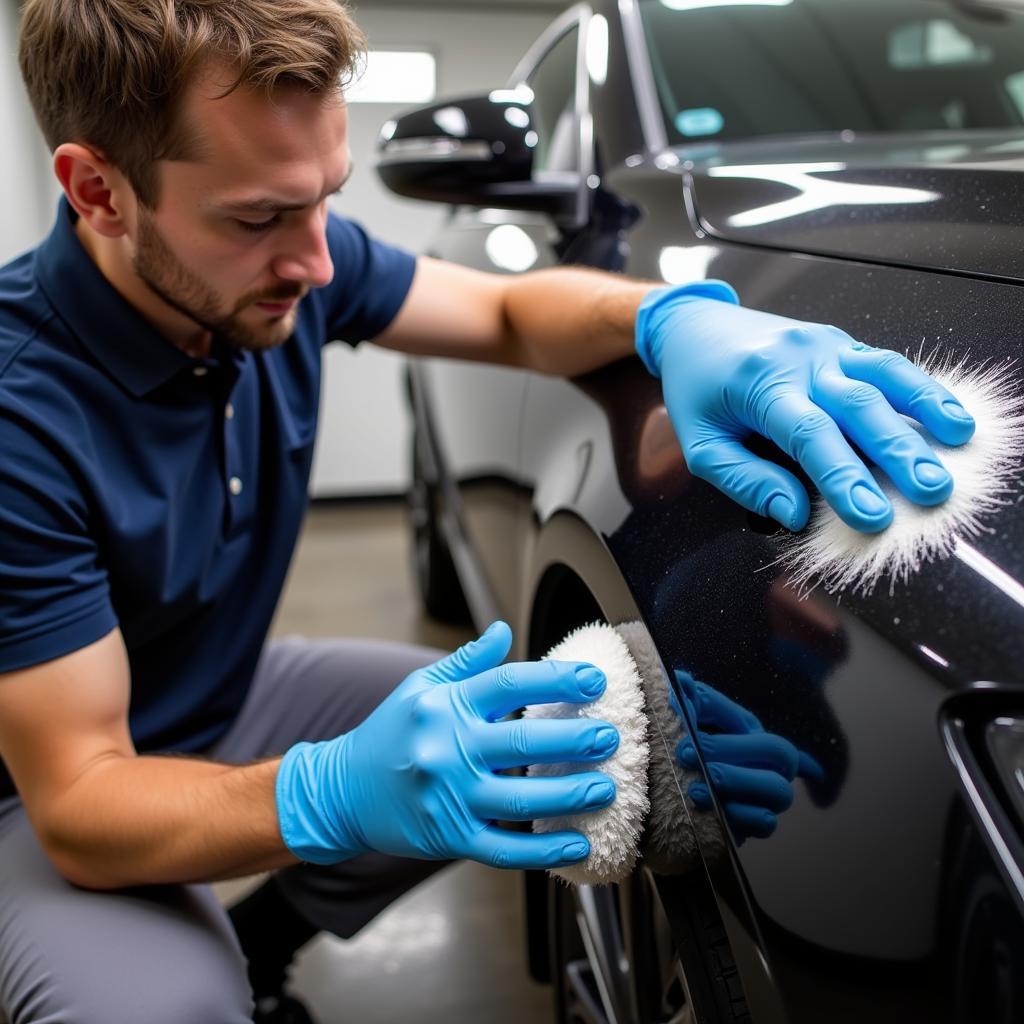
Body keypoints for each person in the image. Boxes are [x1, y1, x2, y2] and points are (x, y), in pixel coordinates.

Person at [0, 1, 976, 1021]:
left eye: (322, 202)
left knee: (546, 732)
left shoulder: (271, 267)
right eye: (257, 218)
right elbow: (80, 800)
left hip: (218, 694)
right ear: (98, 191)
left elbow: (506, 312)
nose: (318, 264)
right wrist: (324, 792)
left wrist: (667, 318)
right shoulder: (20, 411)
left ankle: (262, 945)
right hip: (45, 788)